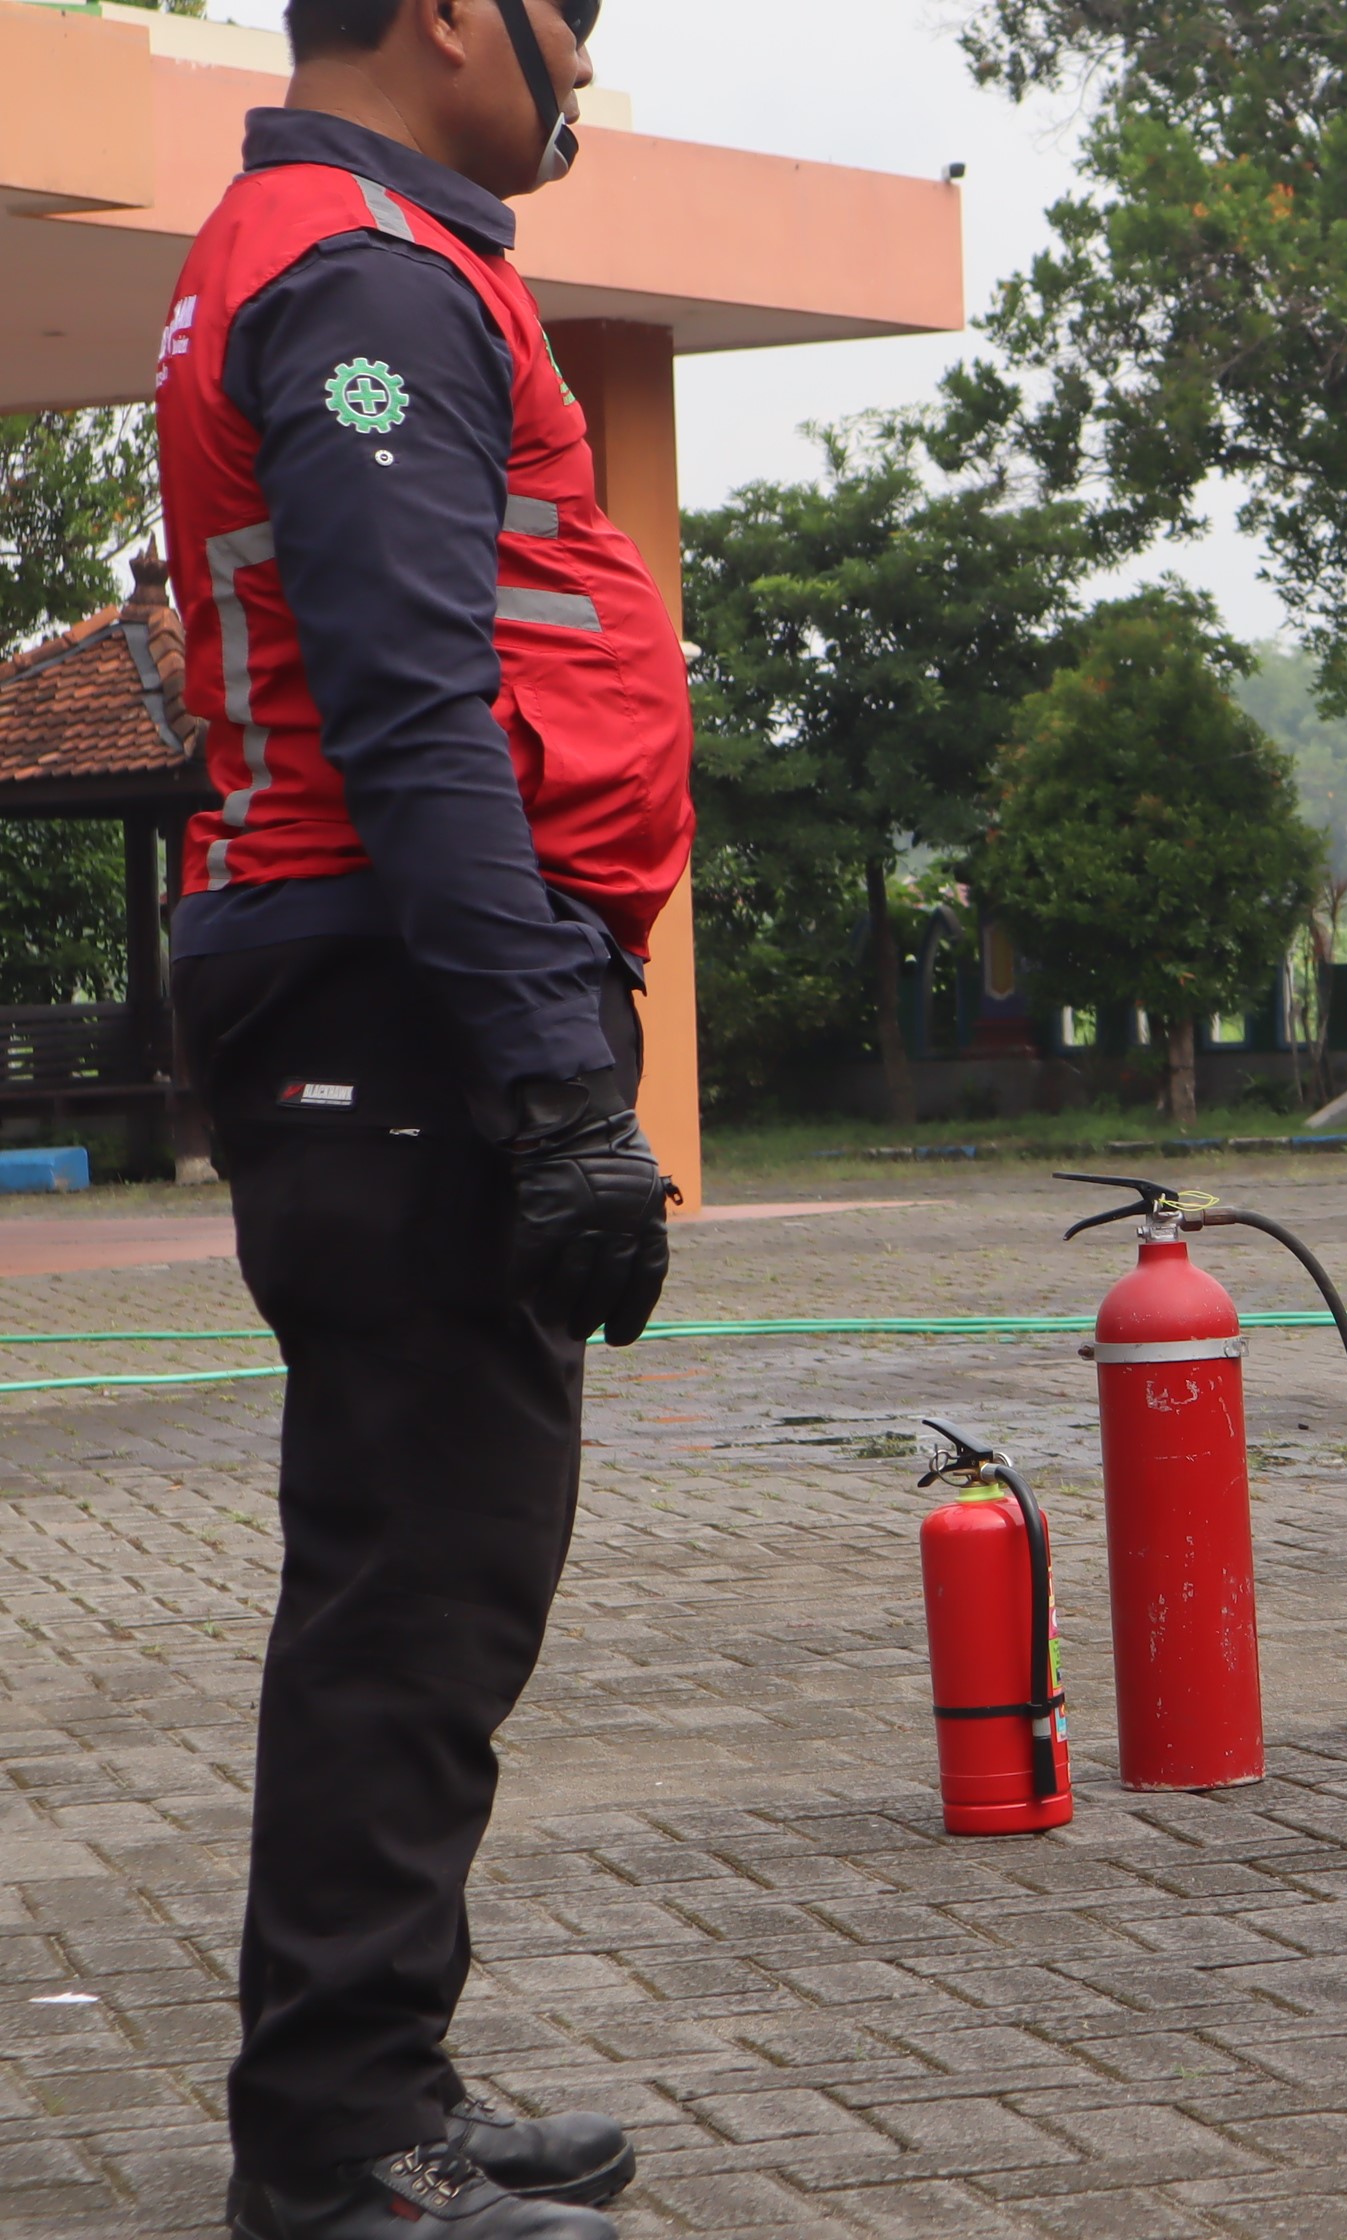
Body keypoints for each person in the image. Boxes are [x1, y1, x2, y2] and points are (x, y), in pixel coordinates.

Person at [156, 2, 684, 2233]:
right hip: (398, 999)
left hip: (387, 987)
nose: (586, 57)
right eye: (573, 13)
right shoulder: (362, 270)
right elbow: (411, 700)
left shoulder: (349, 245)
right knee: (415, 1590)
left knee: (426, 1574)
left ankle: (381, 2077)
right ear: (458, 15)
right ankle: (340, 2146)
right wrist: (560, 1083)